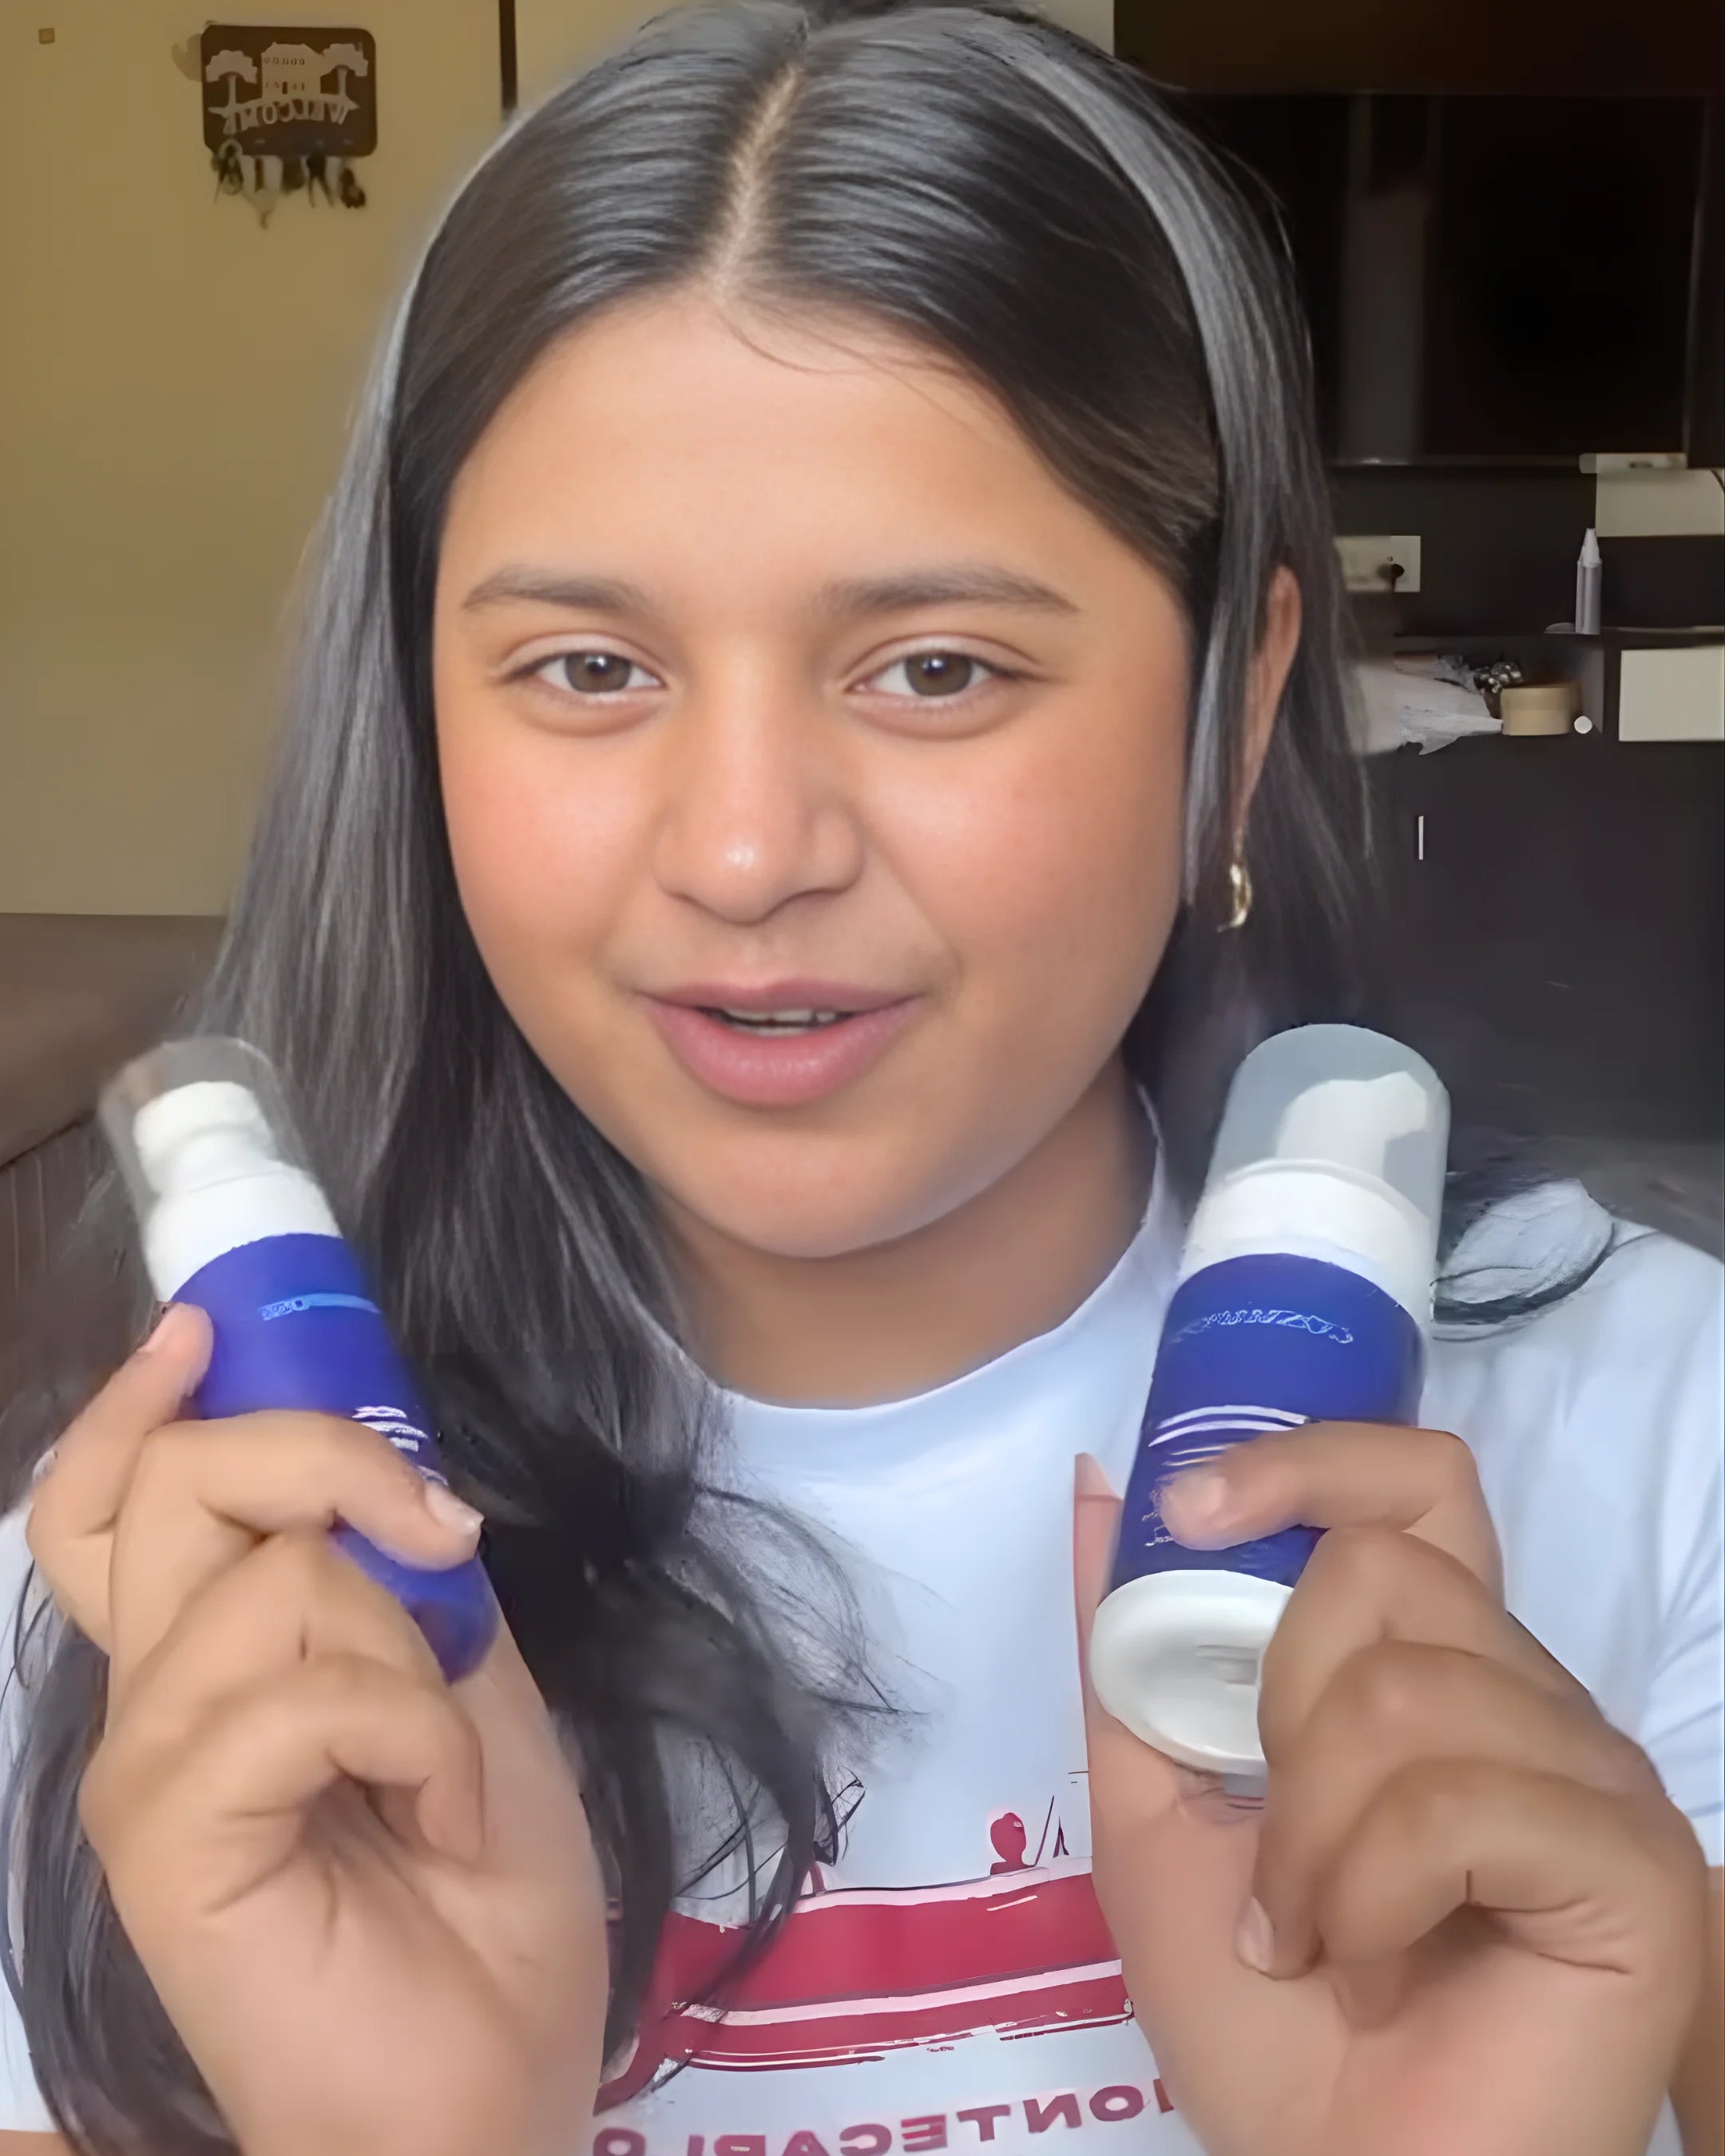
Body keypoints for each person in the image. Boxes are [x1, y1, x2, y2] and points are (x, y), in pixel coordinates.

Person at [0, 3, 1719, 2153]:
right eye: (589, 667)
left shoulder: (1662, 1440)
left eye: (934, 668)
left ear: (1236, 703)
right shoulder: (171, 1604)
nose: (745, 852)